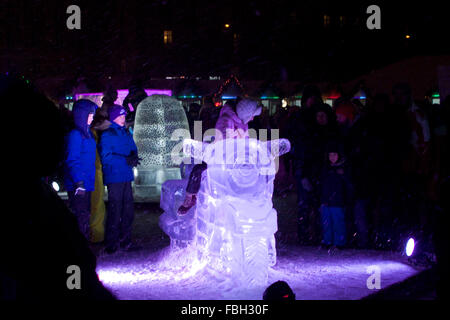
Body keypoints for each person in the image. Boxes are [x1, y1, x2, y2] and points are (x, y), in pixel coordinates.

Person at [1, 75, 114, 300]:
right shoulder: (41, 212)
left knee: (85, 215)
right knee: (81, 216)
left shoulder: (42, 205)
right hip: (78, 188)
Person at [177, 99, 262, 215]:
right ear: (245, 113)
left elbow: (245, 142)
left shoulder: (243, 123)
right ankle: (190, 197)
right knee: (199, 169)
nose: (252, 118)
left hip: (237, 159)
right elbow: (223, 144)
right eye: (252, 115)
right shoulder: (226, 120)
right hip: (221, 157)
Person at [99, 105, 141, 254]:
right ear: (114, 117)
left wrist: (134, 157)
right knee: (115, 210)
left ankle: (126, 241)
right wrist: (126, 160)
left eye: (124, 115)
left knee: (128, 210)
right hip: (115, 177)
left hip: (126, 176)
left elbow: (132, 149)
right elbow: (106, 157)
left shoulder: (125, 132)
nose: (124, 118)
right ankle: (112, 242)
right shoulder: (108, 134)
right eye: (121, 115)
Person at [64, 99, 98, 240]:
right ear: (82, 115)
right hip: (79, 185)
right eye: (90, 114)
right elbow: (72, 159)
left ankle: (84, 247)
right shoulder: (75, 135)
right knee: (80, 218)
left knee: (85, 216)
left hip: (87, 183)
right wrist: (79, 182)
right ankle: (79, 250)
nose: (92, 117)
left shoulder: (88, 134)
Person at [319, 142, 353, 249]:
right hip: (326, 200)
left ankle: (340, 242)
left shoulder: (343, 169)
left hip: (338, 201)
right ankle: (327, 241)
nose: (332, 157)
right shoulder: (326, 168)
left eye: (334, 155)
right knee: (326, 223)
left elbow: (348, 185)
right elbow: (321, 184)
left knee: (338, 222)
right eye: (330, 155)